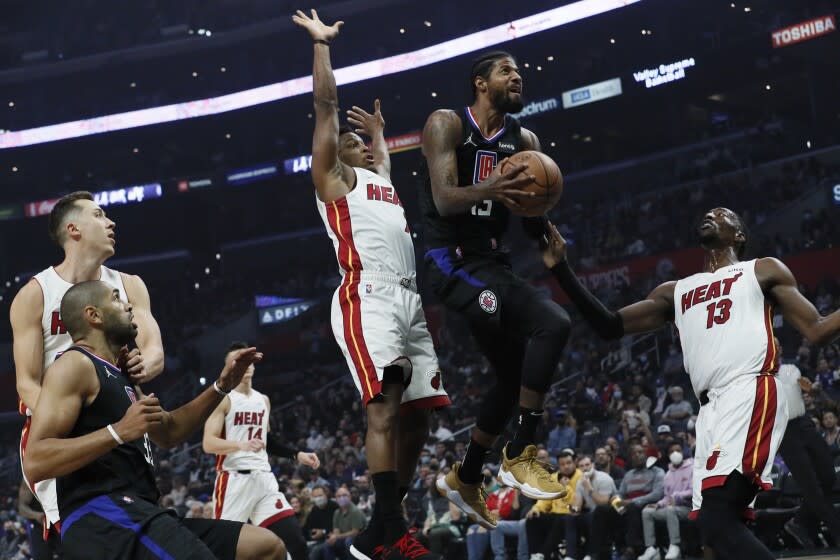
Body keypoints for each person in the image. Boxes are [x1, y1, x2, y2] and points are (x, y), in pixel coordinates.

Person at [543, 207, 840, 559]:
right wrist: (561, 269)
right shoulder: (676, 291)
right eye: (708, 213)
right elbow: (608, 325)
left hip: (748, 389)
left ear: (739, 235)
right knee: (712, 536)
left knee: (716, 519)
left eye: (723, 214)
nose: (711, 215)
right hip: (710, 409)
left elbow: (817, 329)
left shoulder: (761, 270)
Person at [293, 9, 450, 560]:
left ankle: (377, 534)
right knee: (383, 408)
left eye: (364, 141)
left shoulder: (379, 177)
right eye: (352, 138)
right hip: (368, 295)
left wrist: (381, 135)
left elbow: (382, 158)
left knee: (420, 418)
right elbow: (326, 107)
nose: (358, 140)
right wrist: (322, 46)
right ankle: (390, 527)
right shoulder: (330, 178)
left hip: (409, 298)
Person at [22, 280, 285, 559]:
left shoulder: (122, 374)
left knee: (265, 548)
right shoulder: (74, 365)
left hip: (141, 510)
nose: (128, 305)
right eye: (116, 299)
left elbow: (169, 432)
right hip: (101, 516)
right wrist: (118, 431)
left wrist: (221, 386)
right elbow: (36, 461)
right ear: (94, 315)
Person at [420, 48, 570, 528]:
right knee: (551, 322)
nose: (518, 76)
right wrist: (494, 187)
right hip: (451, 261)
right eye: (507, 71)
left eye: (521, 71)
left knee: (510, 376)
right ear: (481, 83)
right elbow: (444, 201)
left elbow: (525, 216)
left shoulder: (525, 139)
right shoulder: (447, 123)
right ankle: (521, 452)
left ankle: (465, 476)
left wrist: (544, 227)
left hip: (491, 261)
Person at [10, 190, 165, 542]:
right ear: (73, 229)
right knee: (89, 534)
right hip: (59, 435)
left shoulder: (129, 286)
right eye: (98, 215)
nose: (110, 222)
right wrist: (76, 422)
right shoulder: (35, 294)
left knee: (140, 526)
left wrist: (145, 364)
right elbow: (27, 383)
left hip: (120, 425)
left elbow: (154, 349)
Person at [203, 341, 320, 559]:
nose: (245, 365)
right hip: (234, 482)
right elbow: (208, 444)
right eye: (238, 361)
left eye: (248, 360)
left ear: (254, 365)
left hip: (264, 480)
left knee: (296, 544)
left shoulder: (262, 400)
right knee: (221, 551)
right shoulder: (222, 399)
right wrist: (241, 445)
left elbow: (268, 440)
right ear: (229, 366)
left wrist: (297, 454)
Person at [774, 338, 840, 547]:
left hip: (804, 424)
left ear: (781, 348)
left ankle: (800, 522)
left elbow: (812, 389)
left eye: (776, 344)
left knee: (828, 475)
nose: (773, 347)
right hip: (784, 433)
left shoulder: (790, 368)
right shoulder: (757, 379)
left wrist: (811, 389)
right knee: (812, 489)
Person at [523, 450, 582, 560]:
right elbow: (545, 499)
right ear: (559, 465)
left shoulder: (580, 477)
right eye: (562, 464)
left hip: (571, 515)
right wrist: (536, 508)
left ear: (574, 463)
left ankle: (543, 553)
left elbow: (576, 503)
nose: (566, 467)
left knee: (560, 520)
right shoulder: (553, 478)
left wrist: (565, 488)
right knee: (532, 518)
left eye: (569, 463)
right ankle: (534, 555)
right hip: (554, 514)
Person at [638, 443, 692, 560]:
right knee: (647, 511)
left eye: (678, 450)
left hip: (688, 508)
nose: (675, 453)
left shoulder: (692, 468)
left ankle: (675, 545)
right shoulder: (668, 474)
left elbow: (694, 491)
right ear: (668, 455)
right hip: (671, 509)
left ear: (683, 452)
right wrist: (658, 504)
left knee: (670, 509)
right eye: (672, 451)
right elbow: (667, 497)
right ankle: (651, 548)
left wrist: (676, 497)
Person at [572, 454, 617, 559]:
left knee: (597, 513)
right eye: (582, 466)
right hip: (593, 514)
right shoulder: (580, 482)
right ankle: (571, 556)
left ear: (593, 465)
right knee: (570, 519)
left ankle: (592, 554)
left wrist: (589, 488)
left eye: (587, 465)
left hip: (612, 513)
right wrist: (570, 508)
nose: (585, 468)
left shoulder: (604, 478)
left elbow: (603, 503)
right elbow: (576, 508)